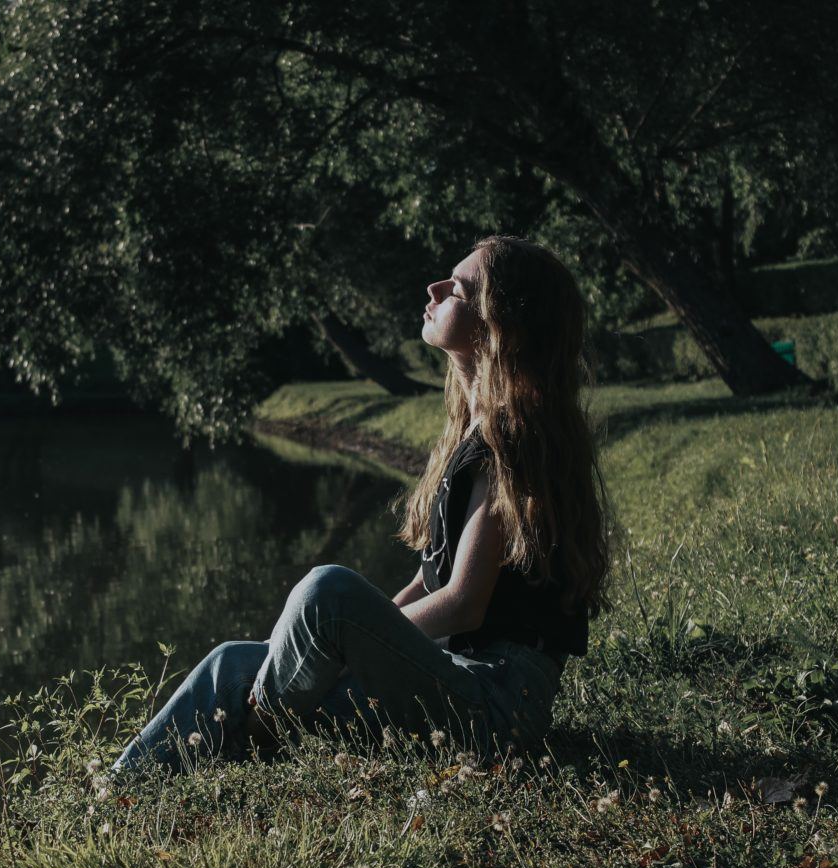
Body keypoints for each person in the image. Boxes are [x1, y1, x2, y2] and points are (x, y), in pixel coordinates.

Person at [109, 234, 611, 776]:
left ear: (499, 328)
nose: (434, 288)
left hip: (495, 706)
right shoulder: (473, 432)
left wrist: (353, 641)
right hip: (453, 676)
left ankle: (253, 742)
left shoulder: (516, 442)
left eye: (459, 291)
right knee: (231, 662)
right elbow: (429, 582)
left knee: (328, 591)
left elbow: (464, 603)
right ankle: (116, 793)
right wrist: (361, 644)